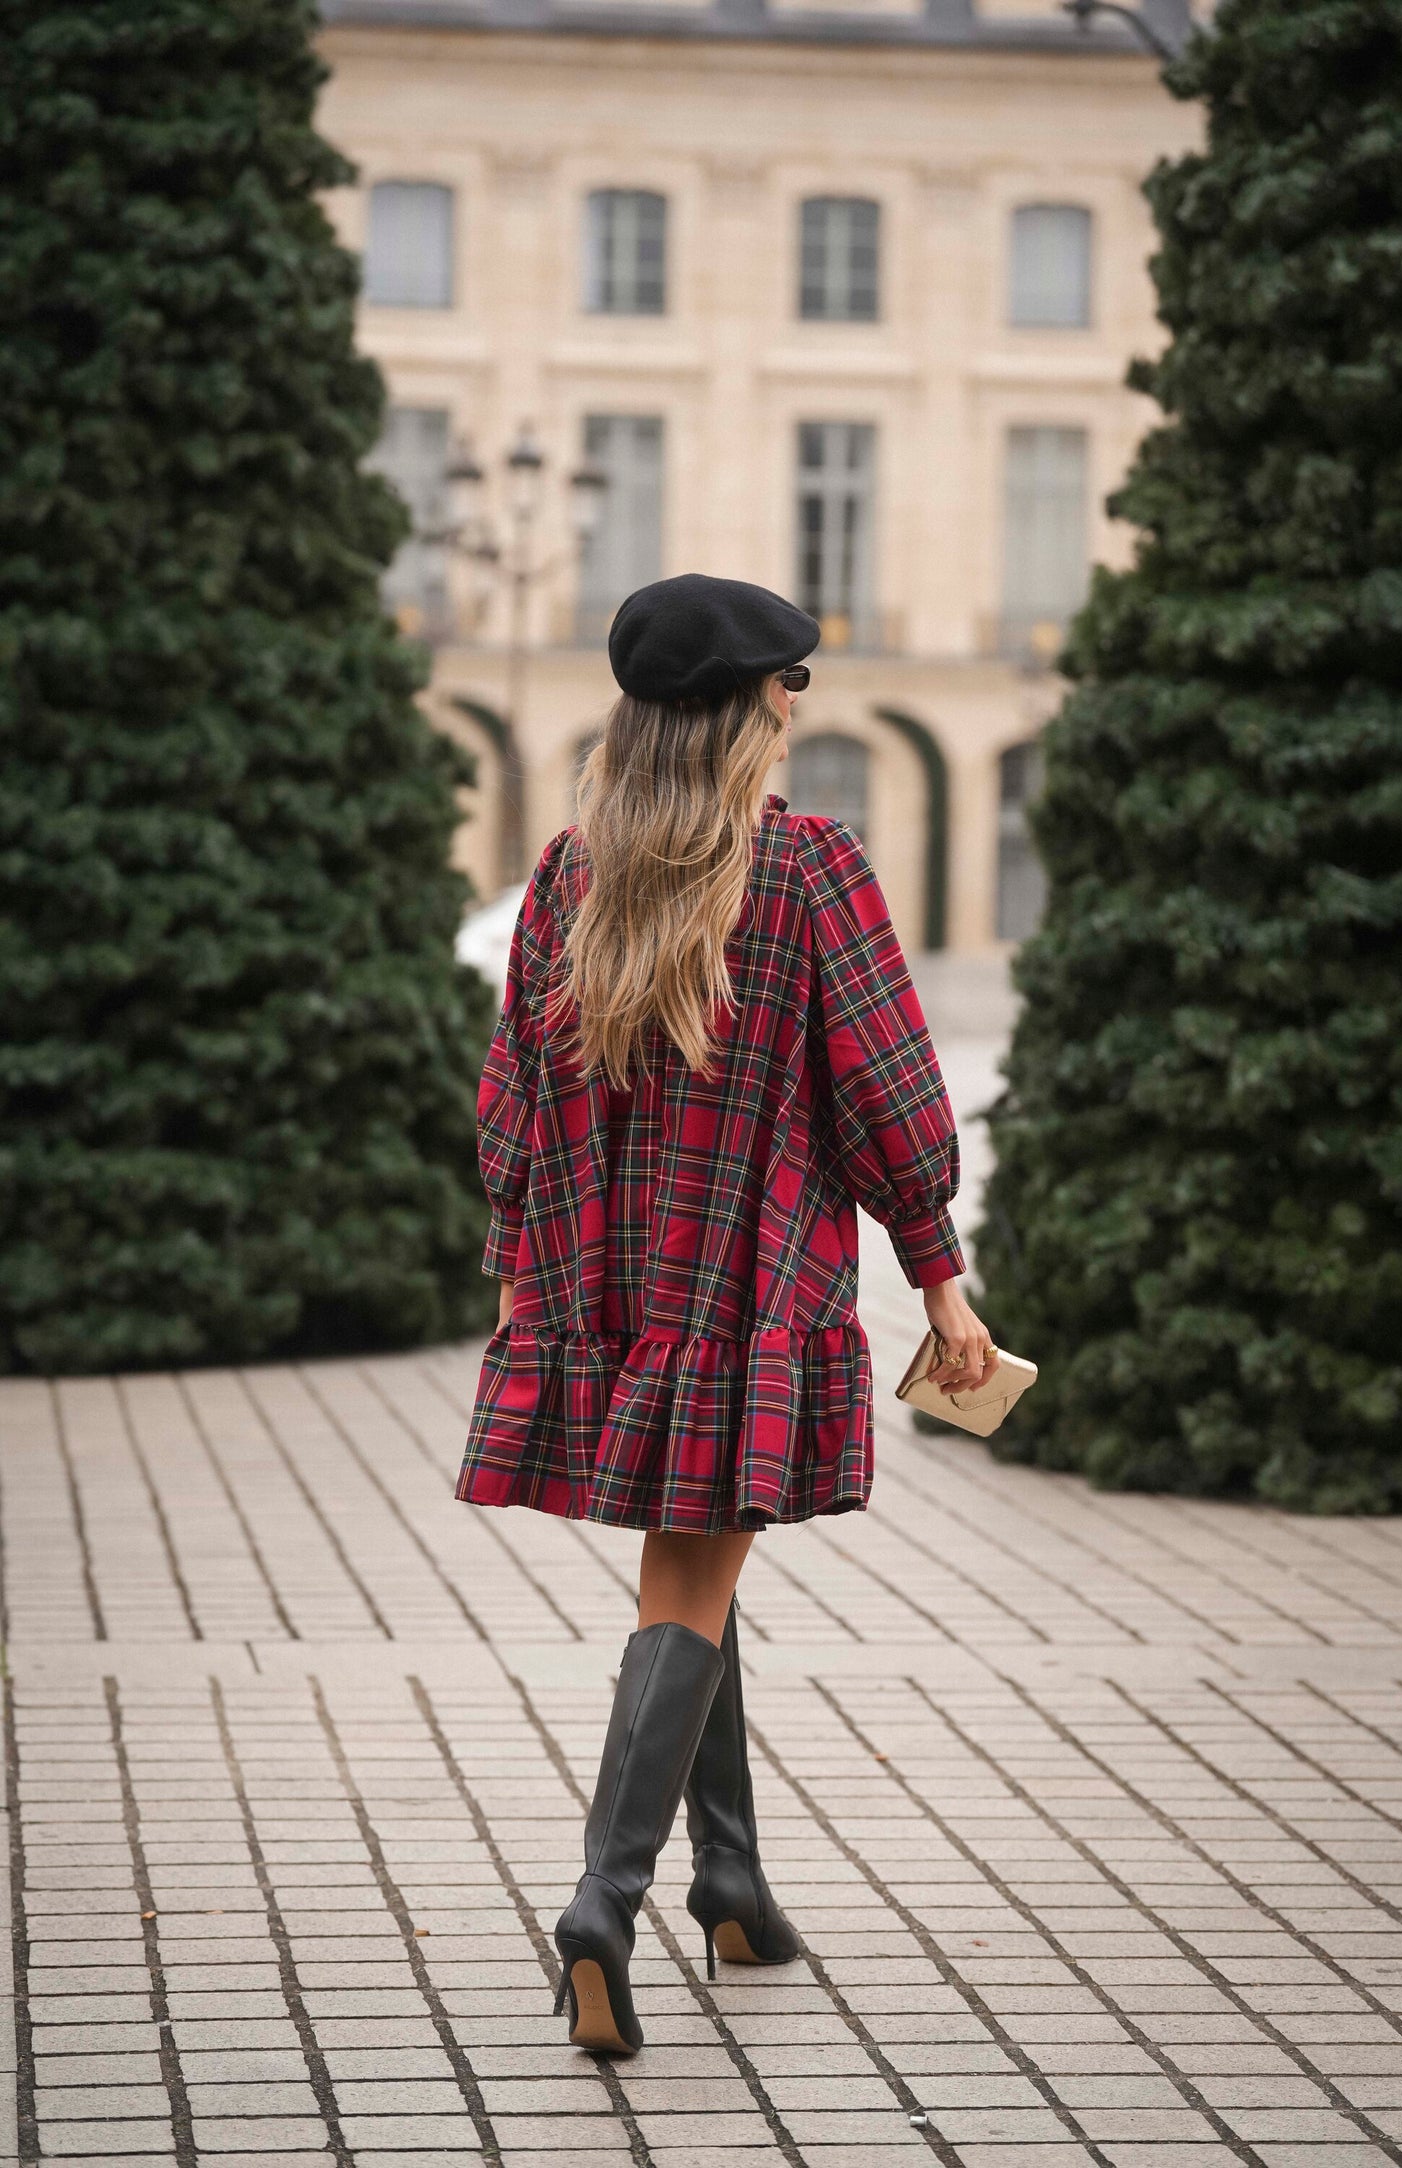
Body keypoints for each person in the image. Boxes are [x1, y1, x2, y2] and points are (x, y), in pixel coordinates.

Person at [455, 571, 998, 2057]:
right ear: (751, 707)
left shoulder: (572, 873)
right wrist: (941, 1282)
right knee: (689, 1580)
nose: (796, 704)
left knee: (694, 1559)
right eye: (790, 682)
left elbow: (507, 1105)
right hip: (749, 1290)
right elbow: (889, 1095)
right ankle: (601, 1901)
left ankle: (734, 1882)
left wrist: (524, 1269)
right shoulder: (810, 866)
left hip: (612, 1292)